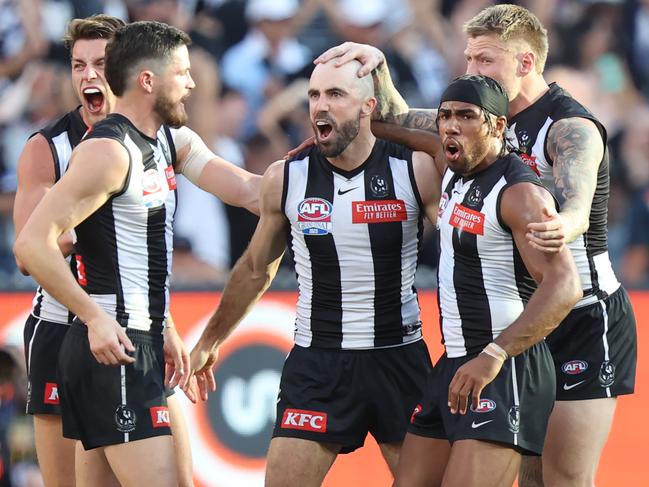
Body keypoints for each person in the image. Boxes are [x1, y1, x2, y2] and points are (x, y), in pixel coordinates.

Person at [317, 5, 638, 485]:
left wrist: (564, 223)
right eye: (468, 59)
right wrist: (374, 67)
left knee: (562, 477)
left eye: (484, 60)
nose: (471, 70)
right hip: (515, 318)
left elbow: (578, 200)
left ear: (525, 63)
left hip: (582, 315)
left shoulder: (570, 125)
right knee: (526, 471)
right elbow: (391, 118)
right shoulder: (475, 120)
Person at [13, 20, 260, 486]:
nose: (90, 76)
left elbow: (250, 190)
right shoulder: (69, 148)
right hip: (78, 329)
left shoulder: (165, 138)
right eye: (78, 65)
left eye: (101, 64)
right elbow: (30, 249)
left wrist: (322, 165)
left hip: (133, 333)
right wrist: (91, 309)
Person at [189, 57, 440, 486]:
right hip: (319, 362)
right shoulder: (286, 177)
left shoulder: (414, 168)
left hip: (398, 357)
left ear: (369, 107)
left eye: (336, 95)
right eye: (314, 95)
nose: (320, 106)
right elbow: (255, 267)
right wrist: (210, 340)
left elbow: (461, 248)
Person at [412, 74, 581, 486]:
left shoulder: (520, 193)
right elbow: (401, 131)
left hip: (503, 366)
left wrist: (494, 354)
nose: (451, 126)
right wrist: (336, 137)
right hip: (454, 360)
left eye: (466, 116)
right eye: (445, 116)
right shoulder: (454, 167)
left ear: (498, 126)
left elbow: (564, 286)